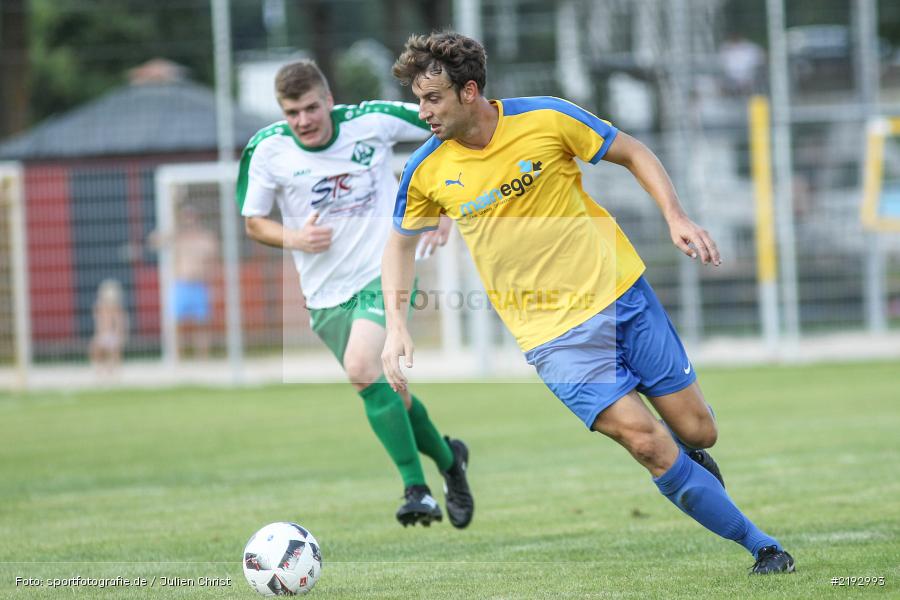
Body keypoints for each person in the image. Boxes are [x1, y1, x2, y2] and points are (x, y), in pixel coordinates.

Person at [382, 32, 794, 574]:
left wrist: (676, 216)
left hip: (622, 296)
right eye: (418, 99)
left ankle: (689, 452)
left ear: (470, 91)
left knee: (698, 432)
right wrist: (396, 325)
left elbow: (632, 151)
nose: (423, 110)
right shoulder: (426, 169)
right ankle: (762, 546)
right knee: (645, 443)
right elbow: (399, 246)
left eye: (432, 98)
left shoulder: (547, 118)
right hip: (552, 336)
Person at [237, 59, 473, 528]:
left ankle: (416, 490)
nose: (302, 120)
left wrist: (447, 199)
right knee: (392, 395)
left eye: (310, 108)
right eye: (291, 112)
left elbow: (449, 124)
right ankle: (450, 461)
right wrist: (295, 239)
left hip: (385, 270)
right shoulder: (267, 150)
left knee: (363, 369)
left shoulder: (370, 120)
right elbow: (254, 222)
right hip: (325, 297)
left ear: (328, 100)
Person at [89, 278, 128, 376]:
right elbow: (99, 325)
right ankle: (99, 369)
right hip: (103, 335)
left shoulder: (117, 309)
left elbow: (120, 324)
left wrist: (120, 336)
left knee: (114, 349)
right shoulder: (100, 308)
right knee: (95, 348)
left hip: (113, 335)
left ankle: (113, 370)